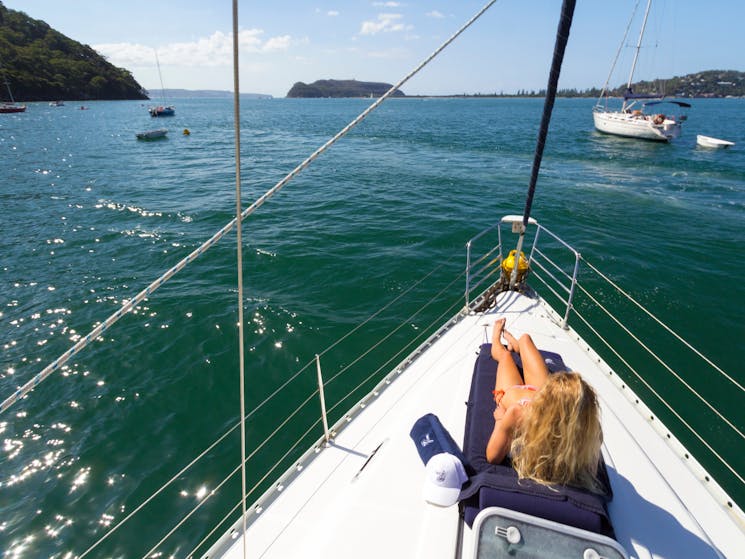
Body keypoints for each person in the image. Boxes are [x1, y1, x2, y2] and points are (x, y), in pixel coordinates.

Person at [486, 318, 604, 493]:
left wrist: (500, 420)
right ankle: (517, 346)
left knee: (504, 356)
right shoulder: (590, 435)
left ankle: (496, 340)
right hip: (542, 395)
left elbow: (492, 457)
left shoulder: (517, 414)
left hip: (515, 393)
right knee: (525, 339)